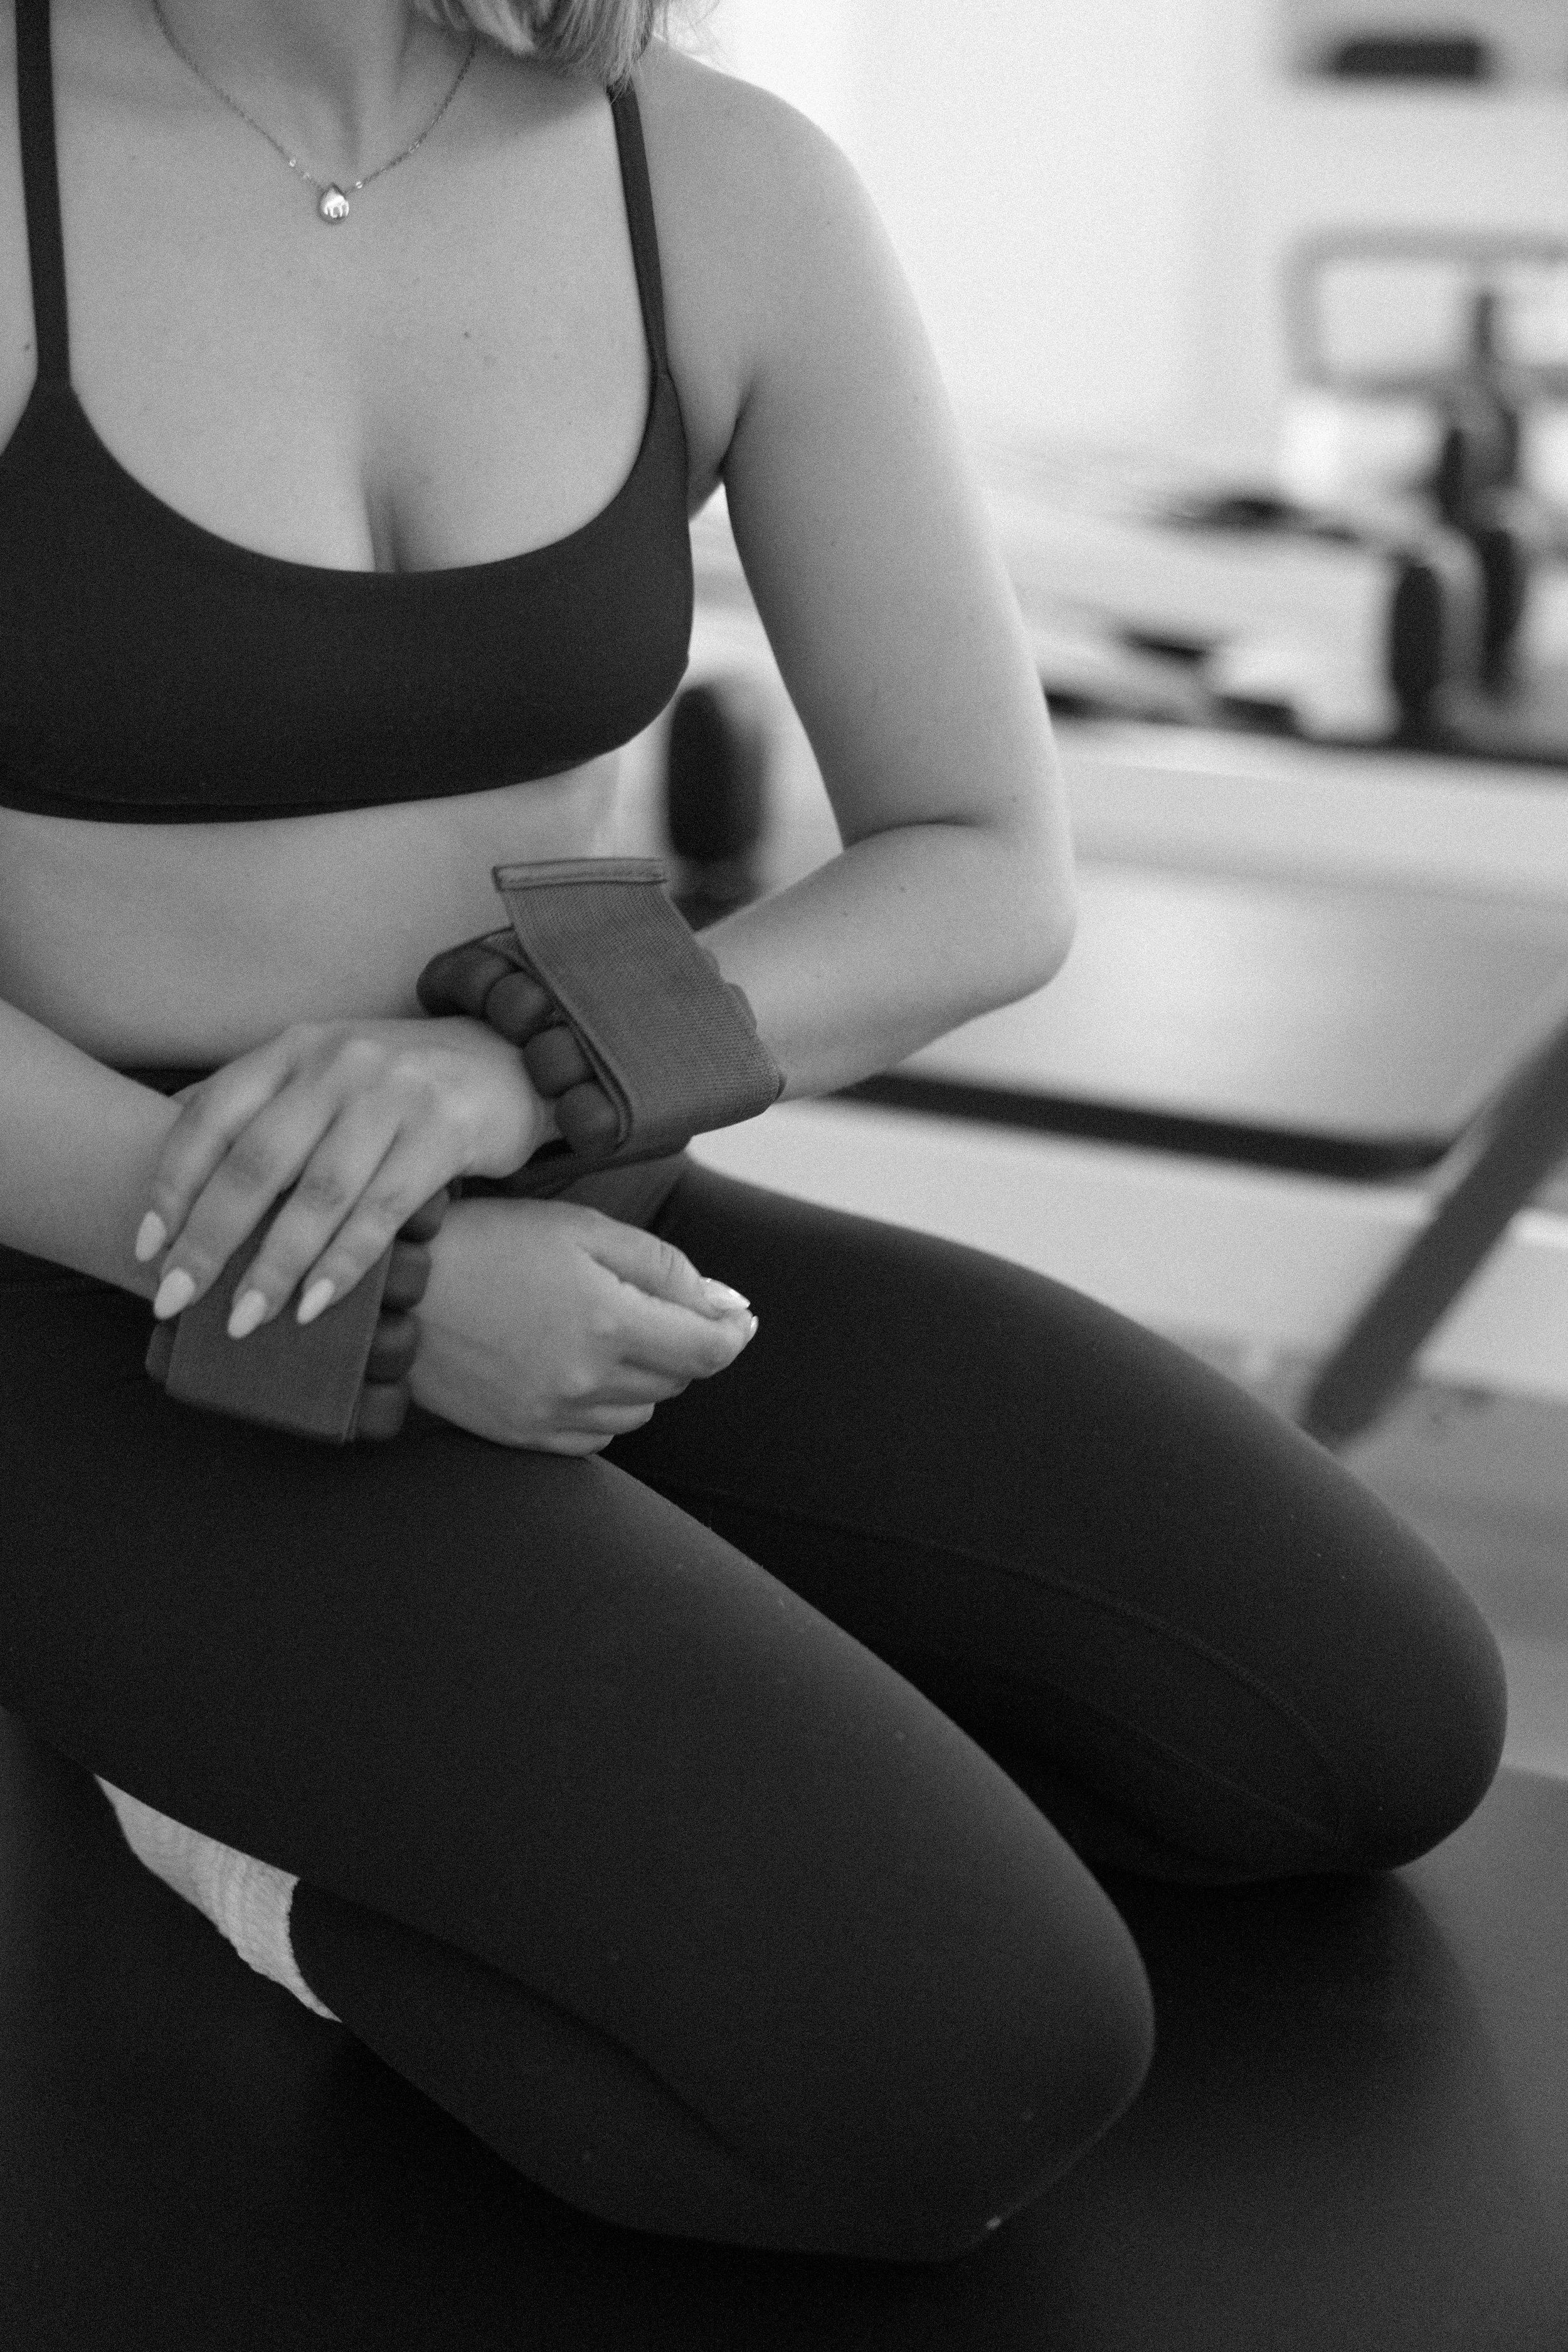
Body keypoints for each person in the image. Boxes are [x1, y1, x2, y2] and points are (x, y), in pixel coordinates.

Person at [0, 0, 1507, 2266]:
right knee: (959, 2062)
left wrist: (520, 1075)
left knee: (1356, 1723)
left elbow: (981, 856)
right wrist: (394, 1304)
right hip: (85, 1283)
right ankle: (220, 1841)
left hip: (574, 1197)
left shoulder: (704, 178)